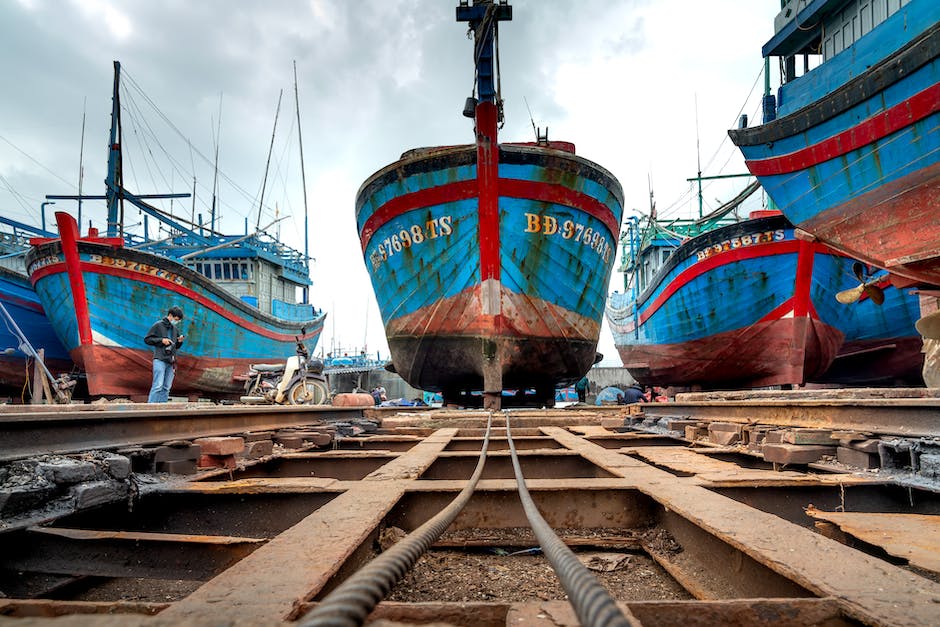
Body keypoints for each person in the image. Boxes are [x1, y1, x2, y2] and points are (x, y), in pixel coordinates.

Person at [144, 306, 185, 403]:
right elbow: (147, 339)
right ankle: (150, 408)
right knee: (158, 385)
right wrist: (161, 340)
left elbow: (176, 346)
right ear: (170, 315)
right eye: (176, 319)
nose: (177, 322)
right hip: (160, 359)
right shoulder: (158, 325)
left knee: (166, 387)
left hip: (171, 361)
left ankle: (162, 408)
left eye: (178, 320)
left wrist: (179, 341)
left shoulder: (174, 329)